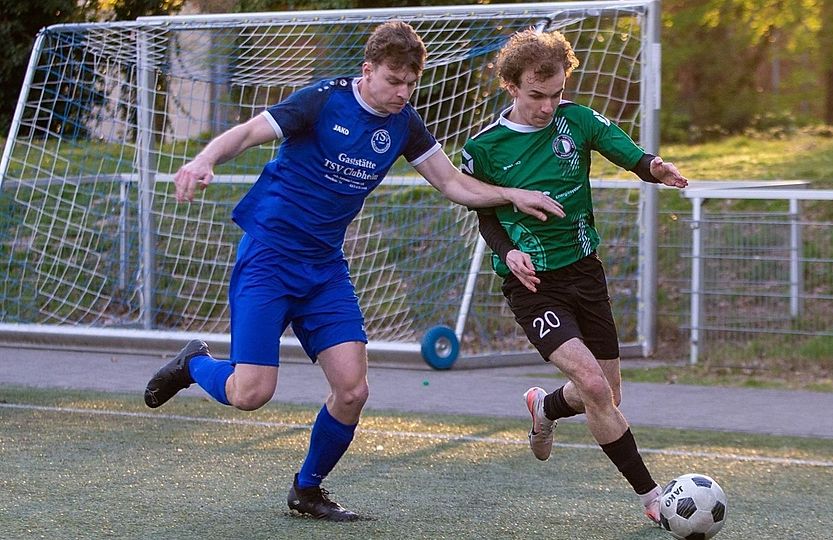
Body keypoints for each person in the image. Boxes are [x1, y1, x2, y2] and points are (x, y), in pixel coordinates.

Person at [143, 21, 564, 522]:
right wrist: (204, 159)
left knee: (353, 389)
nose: (403, 93)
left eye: (411, 84)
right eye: (393, 81)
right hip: (270, 260)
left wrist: (511, 194)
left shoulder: (404, 123)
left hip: (324, 269)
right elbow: (250, 132)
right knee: (250, 393)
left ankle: (307, 489)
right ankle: (194, 364)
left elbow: (454, 183)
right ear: (367, 71)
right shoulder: (323, 100)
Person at [460, 29, 687, 524]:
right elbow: (486, 214)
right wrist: (508, 251)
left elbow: (623, 149)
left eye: (556, 93)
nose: (547, 106)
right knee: (593, 386)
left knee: (608, 393)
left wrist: (655, 167)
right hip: (534, 284)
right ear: (511, 86)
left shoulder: (577, 121)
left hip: (586, 272)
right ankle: (652, 498)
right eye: (536, 95)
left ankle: (545, 408)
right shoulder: (485, 149)